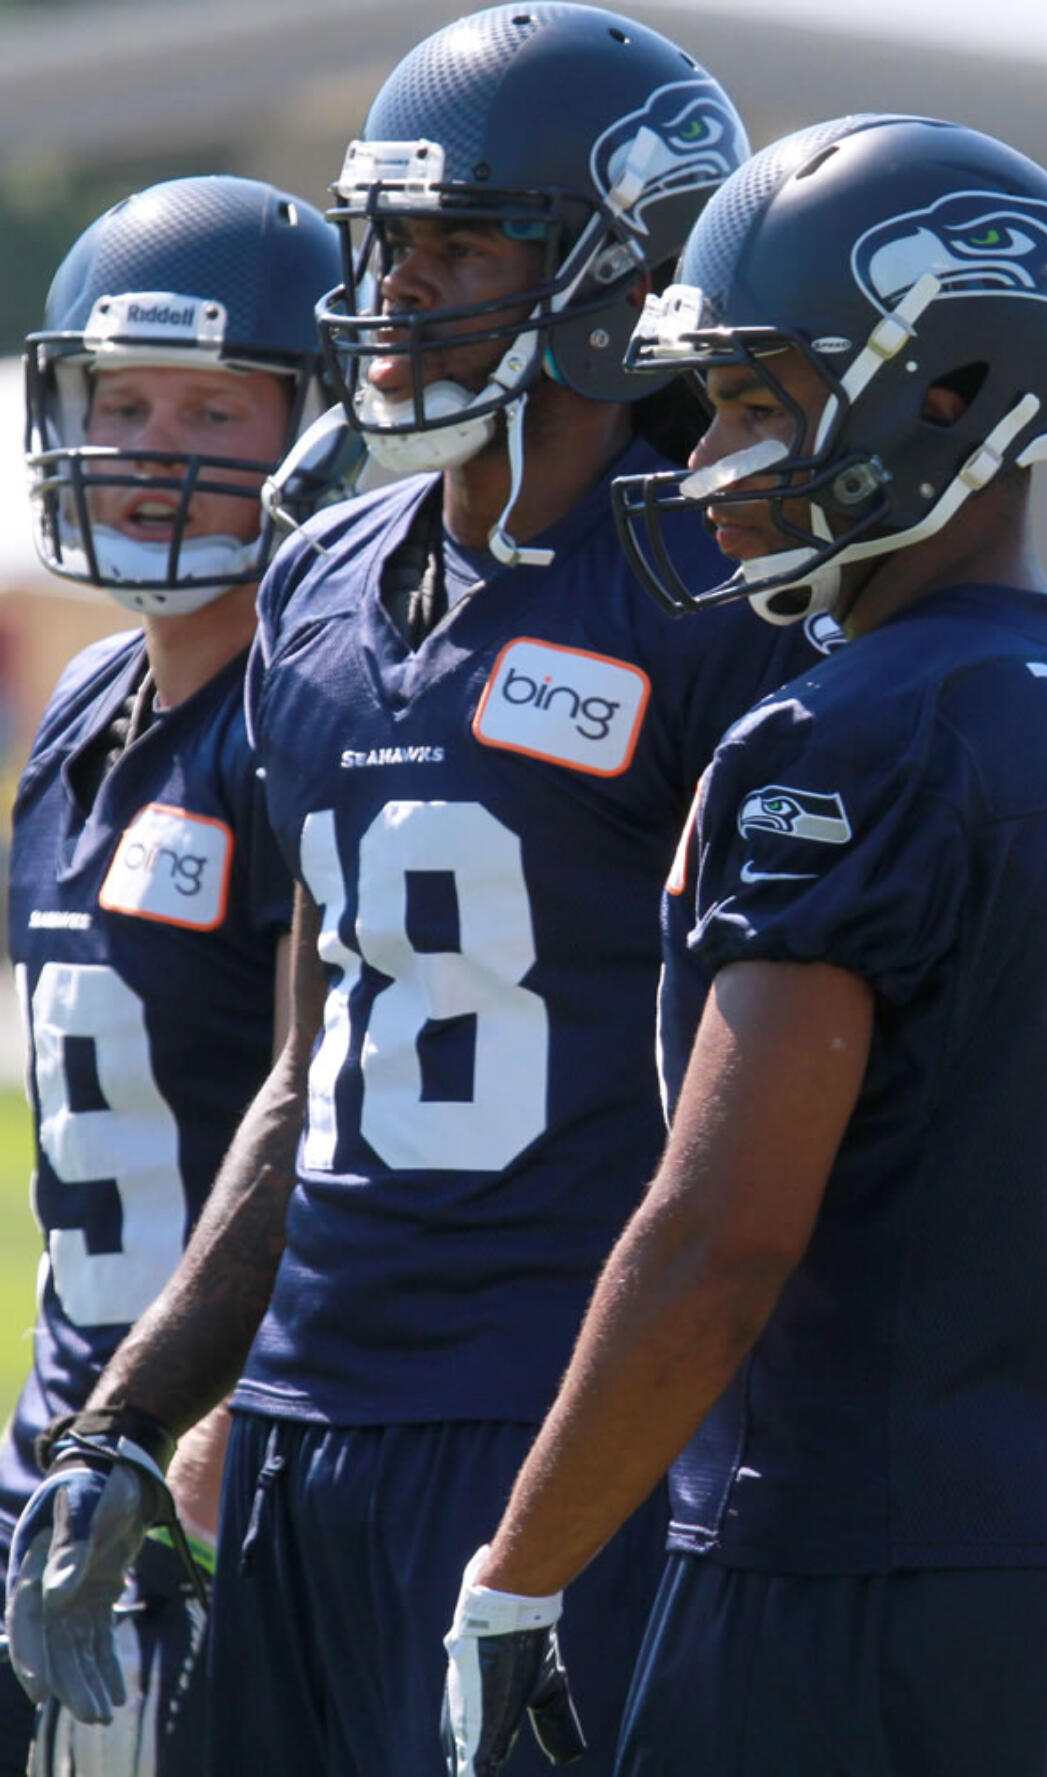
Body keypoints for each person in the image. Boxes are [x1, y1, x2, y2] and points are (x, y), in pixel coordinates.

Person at [5, 8, 821, 1775]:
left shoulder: (725, 585)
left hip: (566, 1415)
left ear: (625, 268)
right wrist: (135, 1413)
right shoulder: (320, 590)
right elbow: (308, 1078)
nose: (397, 288)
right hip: (307, 1416)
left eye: (460, 244)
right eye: (387, 237)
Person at [437, 115, 1047, 1777]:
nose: (708, 459)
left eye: (752, 401)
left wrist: (518, 1576)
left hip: (858, 1551)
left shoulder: (849, 734)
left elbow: (721, 1234)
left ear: (945, 393)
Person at [0, 173, 346, 1775]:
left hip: (215, 1464)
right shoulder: (80, 704)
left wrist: (187, 1443)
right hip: (65, 1440)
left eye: (214, 405)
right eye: (122, 398)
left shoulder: (318, 717)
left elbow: (342, 1130)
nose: (151, 447)